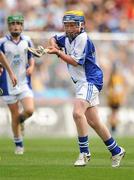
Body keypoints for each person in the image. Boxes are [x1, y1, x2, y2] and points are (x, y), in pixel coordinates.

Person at [46, 10, 125, 167]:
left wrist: (57, 53)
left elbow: (75, 62)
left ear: (81, 26)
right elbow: (53, 38)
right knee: (94, 121)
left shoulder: (83, 38)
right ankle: (116, 150)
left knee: (77, 113)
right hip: (82, 82)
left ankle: (84, 152)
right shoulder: (67, 37)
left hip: (90, 80)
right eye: (66, 25)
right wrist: (54, 46)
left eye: (72, 25)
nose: (68, 29)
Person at [0, 14, 35, 155]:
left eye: (18, 23)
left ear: (22, 26)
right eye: (13, 23)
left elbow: (31, 57)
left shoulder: (27, 40)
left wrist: (32, 67)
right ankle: (19, 145)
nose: (16, 26)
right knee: (14, 114)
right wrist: (8, 72)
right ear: (9, 26)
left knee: (29, 110)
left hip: (24, 82)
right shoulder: (2, 42)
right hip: (8, 85)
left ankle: (21, 121)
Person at [107, 62, 127, 134]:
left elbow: (122, 88)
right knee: (114, 113)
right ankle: (113, 128)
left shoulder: (119, 77)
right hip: (114, 99)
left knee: (114, 113)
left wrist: (123, 97)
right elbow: (109, 88)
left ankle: (113, 128)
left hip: (117, 98)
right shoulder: (113, 77)